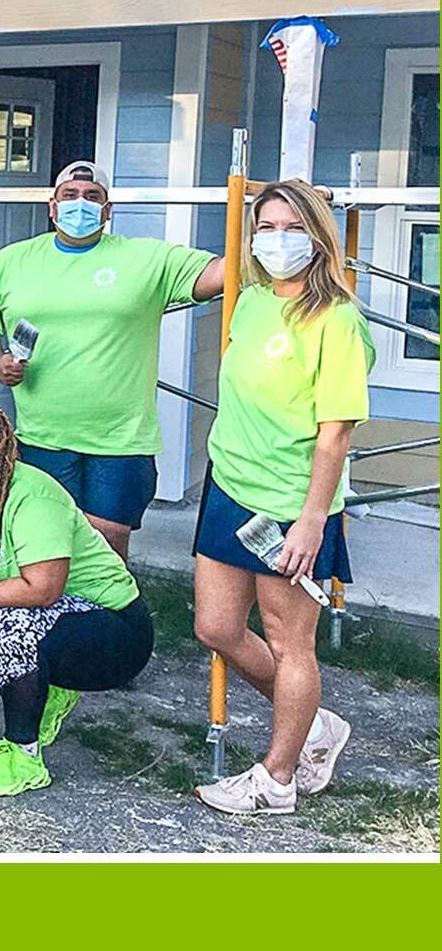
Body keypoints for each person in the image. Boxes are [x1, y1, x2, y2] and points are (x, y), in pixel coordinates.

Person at [192, 179, 371, 815]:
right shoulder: (251, 301)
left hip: (293, 503)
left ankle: (278, 776)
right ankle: (315, 725)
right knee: (215, 625)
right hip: (230, 486)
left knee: (289, 641)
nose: (278, 240)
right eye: (266, 227)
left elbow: (336, 432)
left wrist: (313, 520)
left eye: (293, 227)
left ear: (318, 237)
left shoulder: (337, 319)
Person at [0, 161, 224, 561]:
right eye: (70, 195)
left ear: (108, 210)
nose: (80, 204)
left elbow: (221, 274)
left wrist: (272, 230)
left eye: (92, 196)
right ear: (52, 206)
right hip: (42, 436)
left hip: (120, 440)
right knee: (48, 544)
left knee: (107, 547)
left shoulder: (144, 258)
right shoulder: (12, 260)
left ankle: (108, 604)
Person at [0, 390, 154, 797]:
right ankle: (50, 690)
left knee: (16, 622)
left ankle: (24, 755)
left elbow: (43, 589)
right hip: (56, 621)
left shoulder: (33, 492)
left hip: (117, 631)